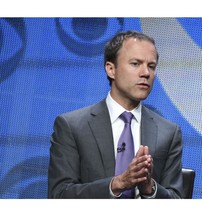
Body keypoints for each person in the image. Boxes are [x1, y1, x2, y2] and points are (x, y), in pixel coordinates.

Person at [48, 30, 183, 199]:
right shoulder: (72, 126)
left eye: (151, 66)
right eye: (135, 64)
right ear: (111, 69)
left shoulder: (168, 133)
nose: (146, 73)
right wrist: (117, 184)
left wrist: (150, 188)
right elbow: (59, 195)